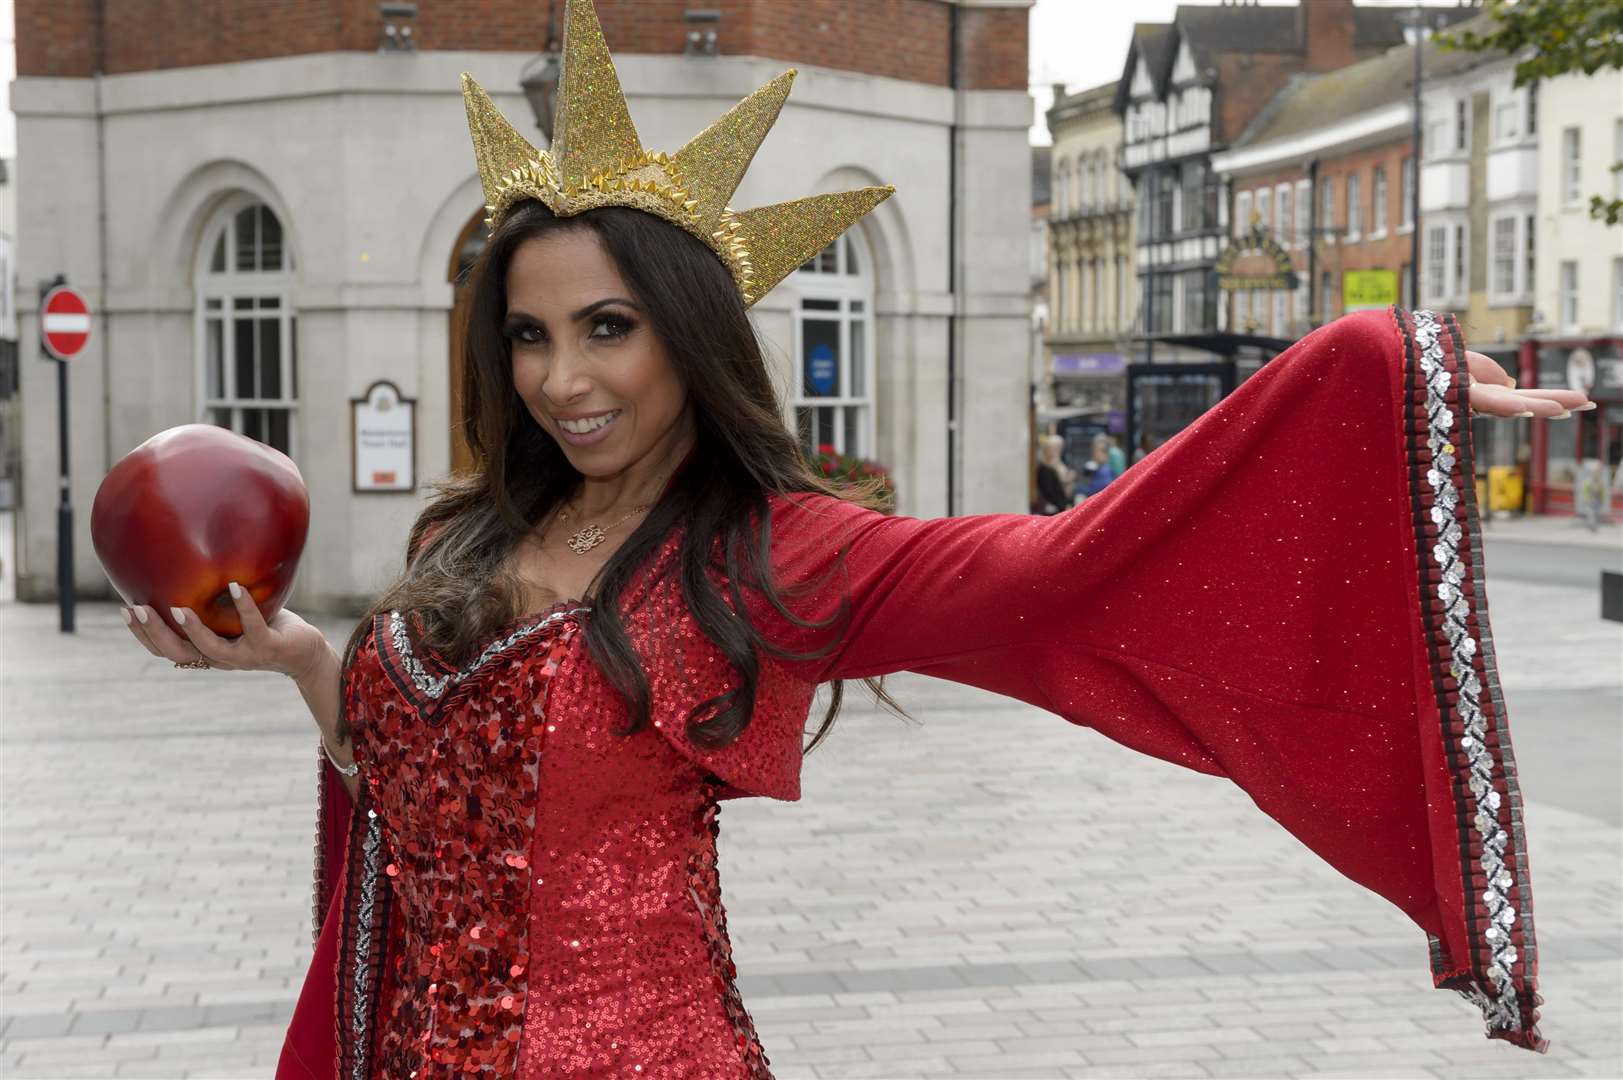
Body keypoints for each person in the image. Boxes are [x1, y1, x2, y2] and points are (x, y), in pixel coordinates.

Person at [117, 2, 1592, 1074]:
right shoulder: (465, 532)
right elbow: (414, 790)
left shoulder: (770, 553)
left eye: (608, 330)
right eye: (527, 336)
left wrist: (1359, 383)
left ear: (689, 341)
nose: (562, 379)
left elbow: (1063, 566)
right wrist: (311, 661)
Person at [1034, 434, 1074, 514]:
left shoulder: (1060, 464)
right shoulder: (1045, 468)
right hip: (1052, 508)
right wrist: (1063, 505)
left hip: (1063, 504)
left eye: (1059, 448)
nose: (1057, 451)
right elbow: (1049, 490)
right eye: (1054, 448)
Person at [1079, 432, 1117, 498]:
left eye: (1102, 451)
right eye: (1095, 451)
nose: (1097, 454)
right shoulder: (1090, 467)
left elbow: (1106, 487)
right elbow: (1083, 486)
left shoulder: (1108, 470)